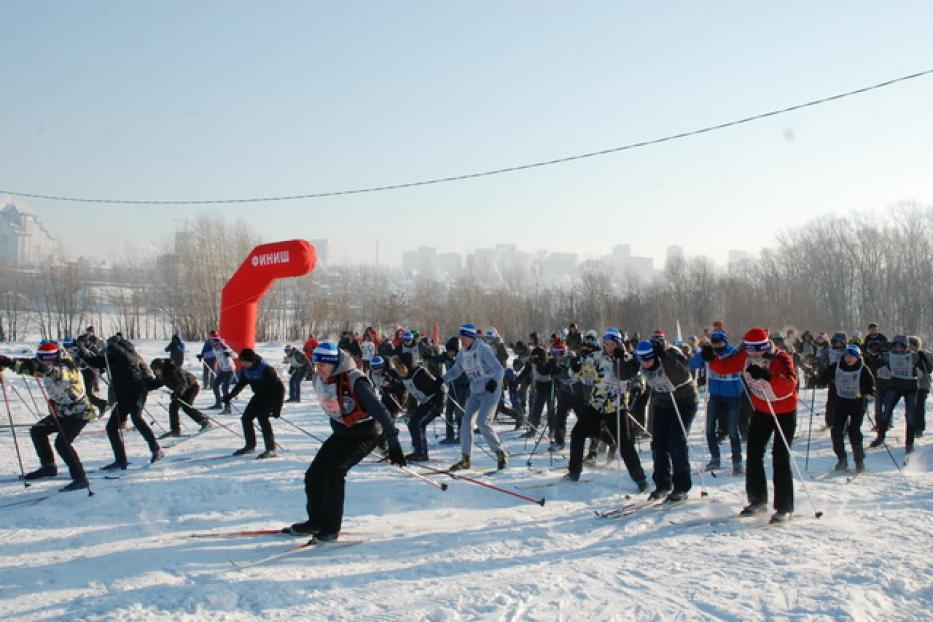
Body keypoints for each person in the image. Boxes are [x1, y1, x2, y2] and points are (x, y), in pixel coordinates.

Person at [286, 342, 405, 541]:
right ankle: (316, 521)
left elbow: (382, 413)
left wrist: (393, 444)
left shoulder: (355, 380)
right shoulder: (321, 379)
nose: (318, 370)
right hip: (343, 433)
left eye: (322, 365)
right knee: (314, 475)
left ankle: (331, 528)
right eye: (316, 365)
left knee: (335, 471)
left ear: (334, 364)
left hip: (366, 433)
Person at [716, 328, 798, 523]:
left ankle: (784, 507)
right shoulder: (745, 356)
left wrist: (766, 375)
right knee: (753, 452)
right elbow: (727, 366)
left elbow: (789, 384)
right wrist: (712, 359)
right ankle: (757, 499)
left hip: (784, 411)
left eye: (755, 351)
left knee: (780, 456)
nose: (751, 354)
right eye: (749, 350)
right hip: (762, 410)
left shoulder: (781, 358)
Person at [0, 342, 97, 491]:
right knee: (37, 431)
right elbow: (31, 366)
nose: (42, 361)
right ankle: (48, 466)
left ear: (54, 357)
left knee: (62, 443)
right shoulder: (47, 365)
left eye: (45, 358)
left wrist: (37, 366)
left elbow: (50, 371)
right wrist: (8, 362)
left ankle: (80, 478)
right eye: (40, 358)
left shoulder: (66, 367)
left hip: (78, 413)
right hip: (60, 412)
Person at [625, 336, 698, 502]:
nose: (645, 364)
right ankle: (662, 484)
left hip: (684, 401)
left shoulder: (670, 353)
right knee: (658, 443)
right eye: (641, 360)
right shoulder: (641, 359)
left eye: (648, 359)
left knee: (676, 441)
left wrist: (664, 356)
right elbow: (624, 372)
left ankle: (681, 487)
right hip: (662, 402)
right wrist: (618, 355)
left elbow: (682, 373)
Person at [82, 334, 162, 470]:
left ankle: (156, 450)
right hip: (123, 395)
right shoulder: (112, 357)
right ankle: (120, 460)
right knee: (111, 427)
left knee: (136, 418)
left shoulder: (130, 354)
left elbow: (128, 358)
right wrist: (81, 349)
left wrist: (112, 346)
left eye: (110, 348)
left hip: (137, 392)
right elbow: (94, 362)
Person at [441, 323, 507, 471]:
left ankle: (500, 453)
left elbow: (499, 369)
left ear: (471, 337)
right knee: (465, 422)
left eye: (464, 336)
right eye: (461, 336)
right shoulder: (463, 352)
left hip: (490, 390)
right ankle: (466, 459)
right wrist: (441, 379)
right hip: (476, 390)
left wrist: (493, 382)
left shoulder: (483, 349)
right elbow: (456, 370)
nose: (462, 339)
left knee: (482, 422)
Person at [695, 329, 745, 475]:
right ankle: (715, 458)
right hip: (715, 395)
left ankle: (737, 462)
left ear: (726, 340)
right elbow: (694, 363)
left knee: (732, 430)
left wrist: (714, 359)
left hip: (732, 396)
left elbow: (733, 364)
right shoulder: (711, 352)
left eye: (720, 343)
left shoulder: (733, 352)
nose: (717, 346)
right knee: (709, 428)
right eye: (714, 343)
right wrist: (702, 353)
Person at [817, 345, 874, 472]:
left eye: (852, 356)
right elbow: (823, 377)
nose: (849, 358)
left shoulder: (863, 369)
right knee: (836, 431)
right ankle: (841, 459)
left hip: (857, 405)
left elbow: (871, 388)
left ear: (857, 357)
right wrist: (818, 379)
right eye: (847, 355)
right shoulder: (836, 366)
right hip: (841, 403)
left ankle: (859, 461)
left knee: (854, 432)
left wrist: (868, 394)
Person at [224, 348, 284, 459]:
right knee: (246, 418)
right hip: (259, 395)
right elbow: (241, 384)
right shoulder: (245, 370)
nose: (243, 364)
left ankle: (271, 449)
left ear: (252, 360)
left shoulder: (266, 369)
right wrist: (229, 396)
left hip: (272, 395)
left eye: (245, 362)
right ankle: (250, 446)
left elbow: (280, 388)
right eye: (242, 361)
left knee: (262, 417)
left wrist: (277, 408)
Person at [872, 335, 923, 455]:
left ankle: (909, 444)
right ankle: (880, 437)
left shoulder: (913, 355)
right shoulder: (889, 355)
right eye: (895, 345)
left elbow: (925, 369)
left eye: (901, 345)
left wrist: (921, 360)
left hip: (910, 388)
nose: (898, 347)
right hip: (894, 386)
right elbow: (874, 365)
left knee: (910, 417)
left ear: (906, 346)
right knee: (886, 413)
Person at [394, 352, 445, 461]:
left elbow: (437, 388)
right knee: (412, 422)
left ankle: (421, 453)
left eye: (399, 366)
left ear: (406, 366)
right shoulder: (404, 375)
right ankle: (418, 450)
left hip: (435, 402)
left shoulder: (420, 374)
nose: (397, 369)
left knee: (417, 424)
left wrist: (438, 406)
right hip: (425, 402)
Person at [147, 357, 211, 438]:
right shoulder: (162, 375)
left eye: (157, 370)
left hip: (191, 387)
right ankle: (175, 430)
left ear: (162, 367)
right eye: (154, 370)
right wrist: (145, 387)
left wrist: (177, 393)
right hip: (181, 391)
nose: (156, 372)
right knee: (173, 407)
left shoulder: (174, 370)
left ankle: (204, 422)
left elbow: (183, 383)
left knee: (186, 406)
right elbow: (156, 383)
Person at [525, 345, 556, 439]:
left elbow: (545, 371)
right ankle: (532, 430)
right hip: (540, 387)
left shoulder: (550, 362)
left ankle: (552, 431)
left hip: (550, 386)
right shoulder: (532, 362)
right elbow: (525, 372)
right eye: (533, 358)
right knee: (536, 409)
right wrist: (517, 380)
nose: (535, 360)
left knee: (551, 409)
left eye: (536, 358)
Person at [908, 336, 931, 438]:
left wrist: (920, 360)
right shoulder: (905, 355)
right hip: (911, 384)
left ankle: (919, 428)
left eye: (911, 344)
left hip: (923, 384)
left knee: (919, 406)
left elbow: (929, 369)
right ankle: (912, 427)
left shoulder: (923, 355)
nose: (909, 346)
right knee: (912, 407)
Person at [210, 337, 238, 412]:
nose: (211, 343)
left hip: (230, 370)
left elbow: (236, 356)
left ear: (217, 342)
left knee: (224, 388)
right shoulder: (214, 348)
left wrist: (230, 353)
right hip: (223, 370)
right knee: (215, 385)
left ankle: (227, 407)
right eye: (211, 341)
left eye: (213, 341)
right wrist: (203, 356)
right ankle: (218, 404)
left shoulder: (224, 347)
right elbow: (213, 355)